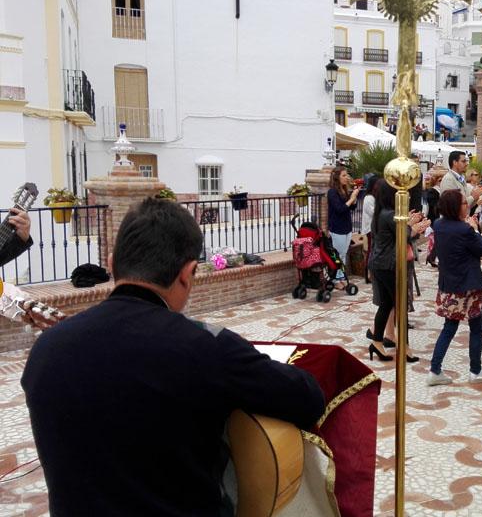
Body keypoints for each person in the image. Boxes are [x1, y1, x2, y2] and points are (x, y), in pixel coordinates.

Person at [21, 198, 325, 516]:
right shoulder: (206, 347)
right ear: (188, 274)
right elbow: (307, 398)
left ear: (111, 265)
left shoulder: (46, 351)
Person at [427, 189, 482, 386]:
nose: (468, 206)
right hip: (468, 285)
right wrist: (473, 228)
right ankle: (475, 370)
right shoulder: (464, 230)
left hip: (449, 283)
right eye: (465, 203)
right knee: (476, 326)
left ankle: (435, 369)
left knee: (449, 327)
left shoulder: (438, 225)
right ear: (455, 207)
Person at [367, 183, 429, 362]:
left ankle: (377, 342)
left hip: (379, 264)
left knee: (386, 304)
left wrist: (409, 225)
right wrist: (415, 229)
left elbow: (399, 232)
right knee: (400, 307)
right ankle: (404, 347)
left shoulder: (381, 213)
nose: (406, 197)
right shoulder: (390, 215)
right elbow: (405, 235)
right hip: (389, 266)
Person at [327, 167, 360, 289]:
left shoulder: (344, 190)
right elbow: (340, 209)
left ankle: (341, 277)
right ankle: (335, 279)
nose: (347, 178)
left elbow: (350, 208)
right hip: (337, 228)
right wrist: (351, 199)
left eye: (347, 175)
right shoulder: (332, 192)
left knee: (343, 254)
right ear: (337, 178)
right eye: (344, 176)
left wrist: (354, 198)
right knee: (337, 255)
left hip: (347, 227)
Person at [361, 176, 381, 283]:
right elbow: (374, 213)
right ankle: (368, 273)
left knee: (373, 250)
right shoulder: (369, 198)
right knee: (370, 251)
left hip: (375, 229)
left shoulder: (375, 197)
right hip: (370, 228)